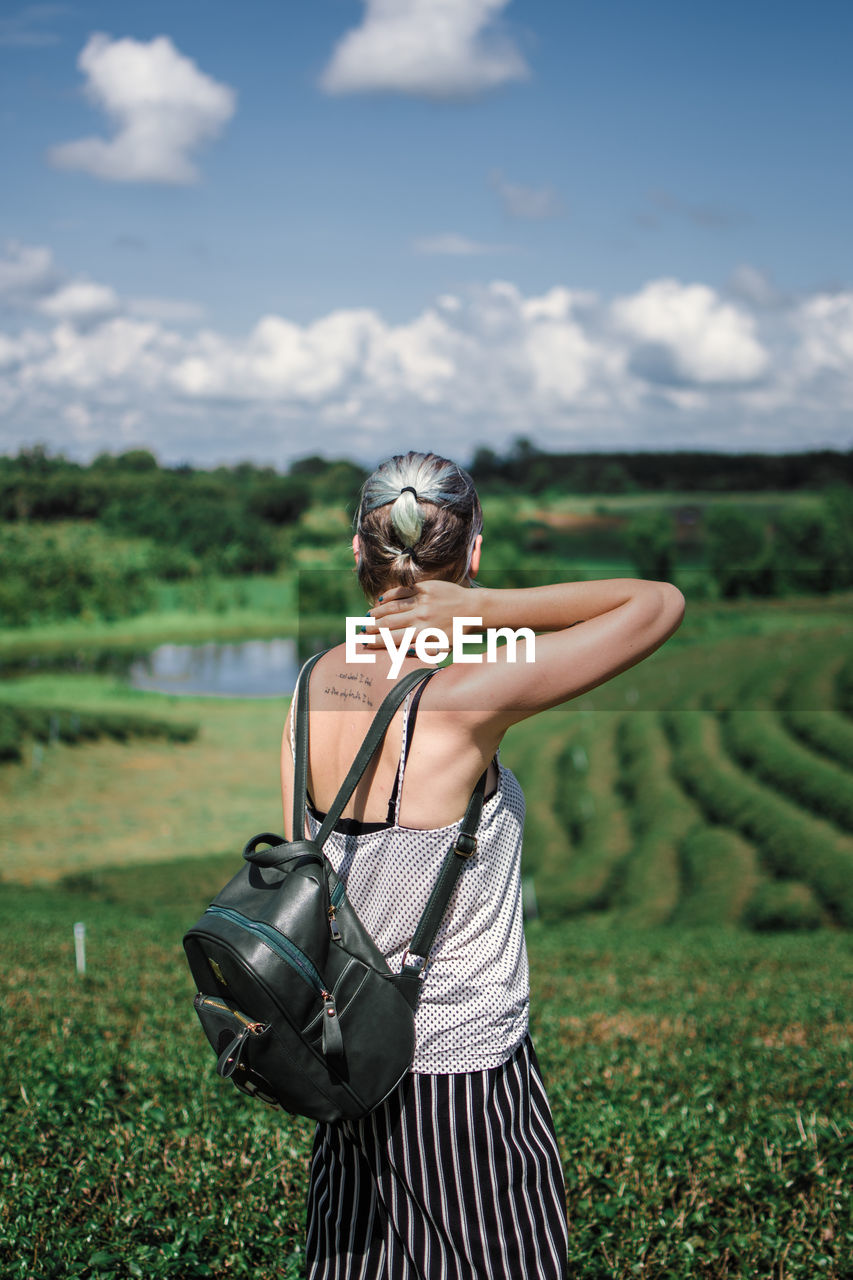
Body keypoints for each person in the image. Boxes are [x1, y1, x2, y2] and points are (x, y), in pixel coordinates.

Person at [280, 451, 684, 1280]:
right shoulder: (466, 691)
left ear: (358, 552)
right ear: (469, 553)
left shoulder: (312, 680)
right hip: (457, 1065)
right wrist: (487, 607)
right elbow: (656, 603)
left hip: (345, 1053)